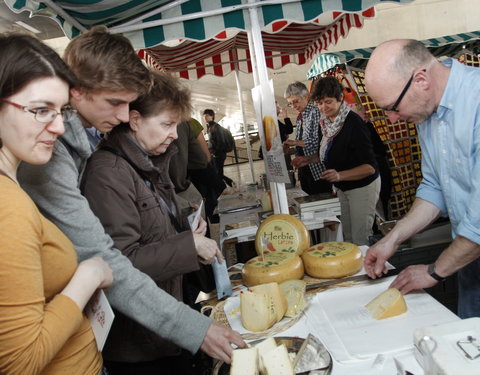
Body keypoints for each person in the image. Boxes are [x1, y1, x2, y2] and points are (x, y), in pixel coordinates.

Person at [17, 26, 245, 364]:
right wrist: (192, 328)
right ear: (75, 90)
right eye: (116, 103)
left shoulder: (82, 146)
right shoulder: (55, 158)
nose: (124, 116)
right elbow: (108, 258)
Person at [82, 72, 222, 374]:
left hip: (165, 330)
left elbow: (151, 230)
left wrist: (185, 228)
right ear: (135, 120)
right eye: (167, 124)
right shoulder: (108, 173)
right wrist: (189, 245)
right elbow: (121, 263)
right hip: (140, 344)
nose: (174, 135)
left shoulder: (148, 164)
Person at [0, 33, 113, 374]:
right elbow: (21, 361)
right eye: (40, 111)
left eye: (61, 110)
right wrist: (88, 275)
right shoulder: (8, 207)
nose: (59, 126)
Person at [363, 39, 480, 318]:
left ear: (421, 79)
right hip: (467, 259)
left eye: (393, 107)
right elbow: (435, 188)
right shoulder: (428, 113)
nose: (392, 119)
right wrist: (393, 239)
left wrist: (434, 271)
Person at [292, 77, 380, 245]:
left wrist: (339, 175)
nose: (323, 107)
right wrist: (307, 159)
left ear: (340, 98)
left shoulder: (354, 123)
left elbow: (370, 168)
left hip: (362, 187)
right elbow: (331, 152)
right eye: (319, 103)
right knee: (347, 237)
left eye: (328, 102)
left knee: (360, 237)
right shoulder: (326, 122)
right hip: (343, 188)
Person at [283, 81, 332, 195]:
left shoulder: (315, 111)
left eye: (295, 102)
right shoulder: (301, 116)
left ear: (306, 97)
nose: (293, 106)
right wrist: (292, 149)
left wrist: (294, 142)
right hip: (306, 169)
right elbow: (304, 145)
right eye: (290, 103)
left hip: (319, 170)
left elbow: (317, 142)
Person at [203, 108, 234, 187]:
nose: (205, 117)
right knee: (217, 173)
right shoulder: (210, 127)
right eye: (204, 116)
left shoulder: (216, 127)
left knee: (217, 173)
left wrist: (215, 152)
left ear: (212, 116)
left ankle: (226, 185)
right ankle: (229, 183)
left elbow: (221, 141)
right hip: (215, 153)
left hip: (219, 154)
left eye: (207, 115)